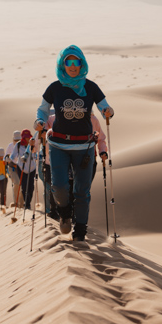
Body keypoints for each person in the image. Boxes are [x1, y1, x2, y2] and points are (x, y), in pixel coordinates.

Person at [34, 45, 114, 242]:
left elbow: (104, 105)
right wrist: (39, 121)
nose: (72, 66)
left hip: (84, 147)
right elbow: (43, 109)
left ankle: (80, 231)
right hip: (58, 145)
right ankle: (65, 213)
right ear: (62, 64)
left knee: (81, 191)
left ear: (82, 64)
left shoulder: (91, 87)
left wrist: (108, 111)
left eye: (76, 62)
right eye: (68, 62)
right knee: (59, 186)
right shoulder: (55, 87)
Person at [8, 129, 37, 210]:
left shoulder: (33, 144)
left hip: (32, 168)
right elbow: (13, 157)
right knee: (24, 187)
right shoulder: (18, 145)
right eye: (25, 137)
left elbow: (36, 154)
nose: (27, 139)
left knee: (31, 187)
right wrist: (17, 159)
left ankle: (28, 202)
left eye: (28, 137)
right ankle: (27, 204)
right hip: (21, 168)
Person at [6, 130, 22, 198]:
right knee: (16, 184)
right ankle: (16, 203)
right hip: (12, 167)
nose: (17, 141)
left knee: (21, 185)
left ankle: (21, 204)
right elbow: (6, 157)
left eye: (18, 140)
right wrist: (8, 159)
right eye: (16, 140)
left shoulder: (23, 146)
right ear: (13, 139)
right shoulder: (10, 145)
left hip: (21, 167)